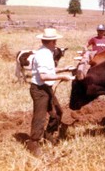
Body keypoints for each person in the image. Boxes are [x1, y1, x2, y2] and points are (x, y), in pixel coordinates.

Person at [26, 28, 73, 157]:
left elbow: (48, 71)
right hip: (39, 90)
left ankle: (48, 135)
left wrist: (64, 69)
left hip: (46, 88)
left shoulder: (47, 53)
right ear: (51, 42)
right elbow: (43, 76)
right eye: (55, 41)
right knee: (39, 117)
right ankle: (33, 143)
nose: (56, 43)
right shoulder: (43, 54)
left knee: (57, 112)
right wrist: (62, 77)